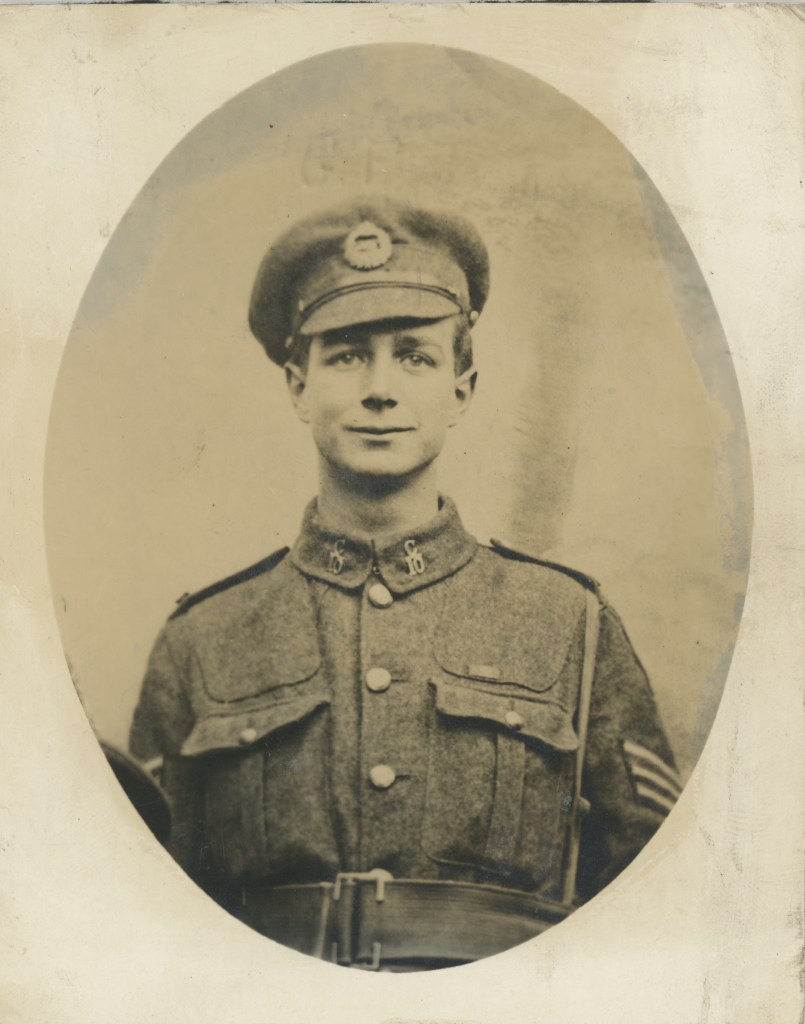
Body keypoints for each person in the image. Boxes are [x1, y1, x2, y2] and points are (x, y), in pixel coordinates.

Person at [129, 197, 681, 971]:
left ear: (461, 390)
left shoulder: (569, 621)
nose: (380, 389)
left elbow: (658, 903)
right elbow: (143, 915)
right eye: (347, 356)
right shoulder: (203, 639)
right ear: (297, 386)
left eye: (415, 357)